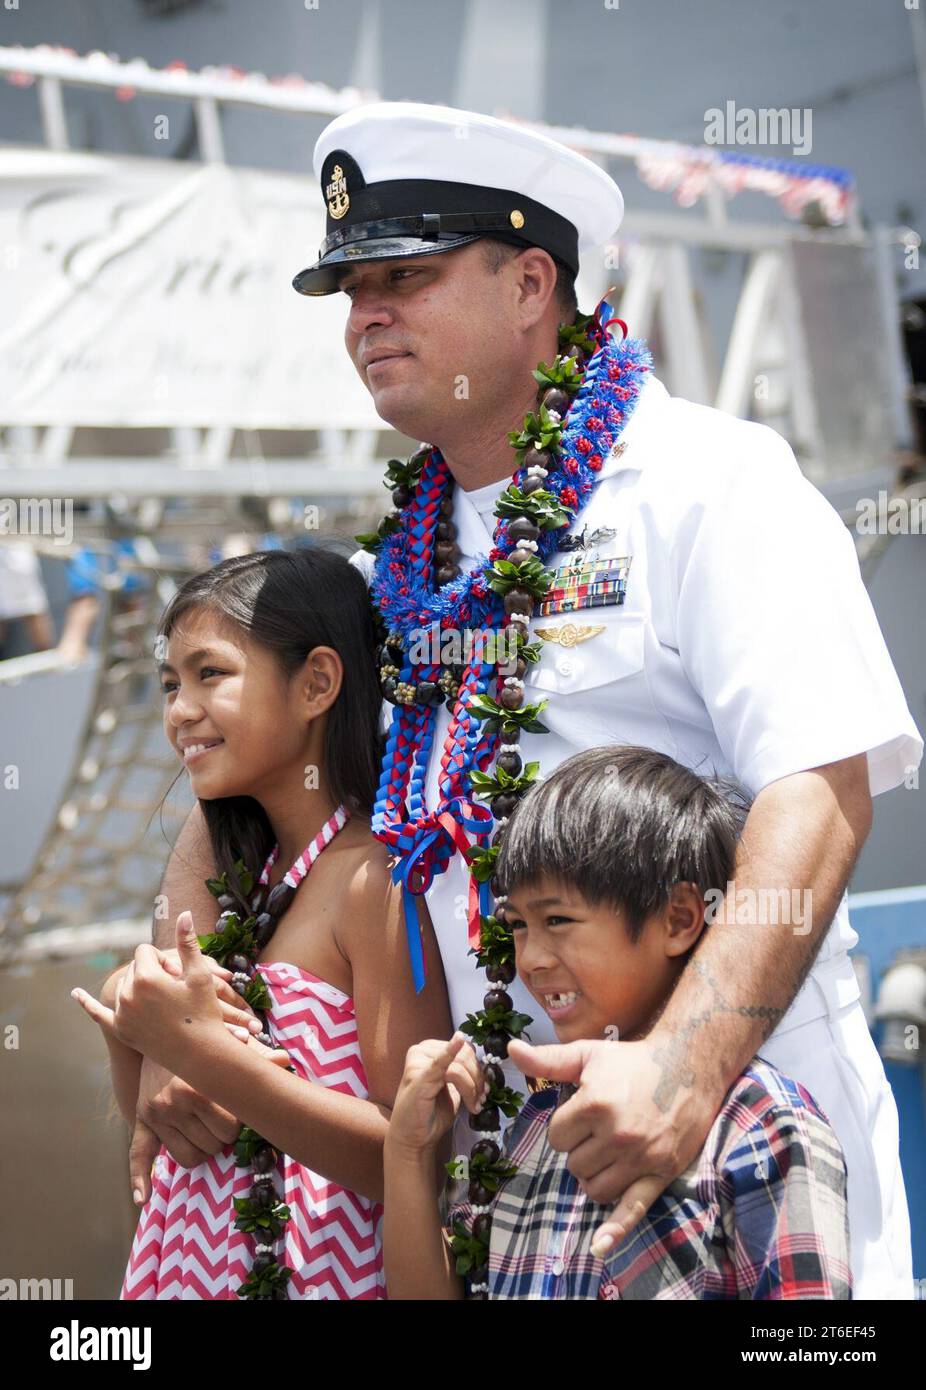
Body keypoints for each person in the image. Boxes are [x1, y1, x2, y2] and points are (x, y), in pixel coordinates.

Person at [133, 100, 922, 1299]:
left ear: (529, 283)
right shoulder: (382, 571)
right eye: (350, 289)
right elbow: (234, 774)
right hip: (501, 1189)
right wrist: (187, 1026)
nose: (366, 316)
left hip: (735, 1154)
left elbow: (817, 791)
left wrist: (683, 1066)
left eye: (405, 274)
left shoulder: (709, 487)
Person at [72, 548, 449, 1298]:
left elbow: (408, 1151)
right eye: (170, 684)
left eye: (211, 674)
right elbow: (164, 1137)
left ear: (317, 683)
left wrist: (204, 1053)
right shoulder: (244, 876)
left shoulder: (371, 880)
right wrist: (131, 1014)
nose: (180, 710)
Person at [384, 746, 853, 1300]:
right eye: (518, 926)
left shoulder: (760, 1123)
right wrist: (409, 1153)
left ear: (679, 917)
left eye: (558, 919)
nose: (530, 958)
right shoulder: (537, 1125)